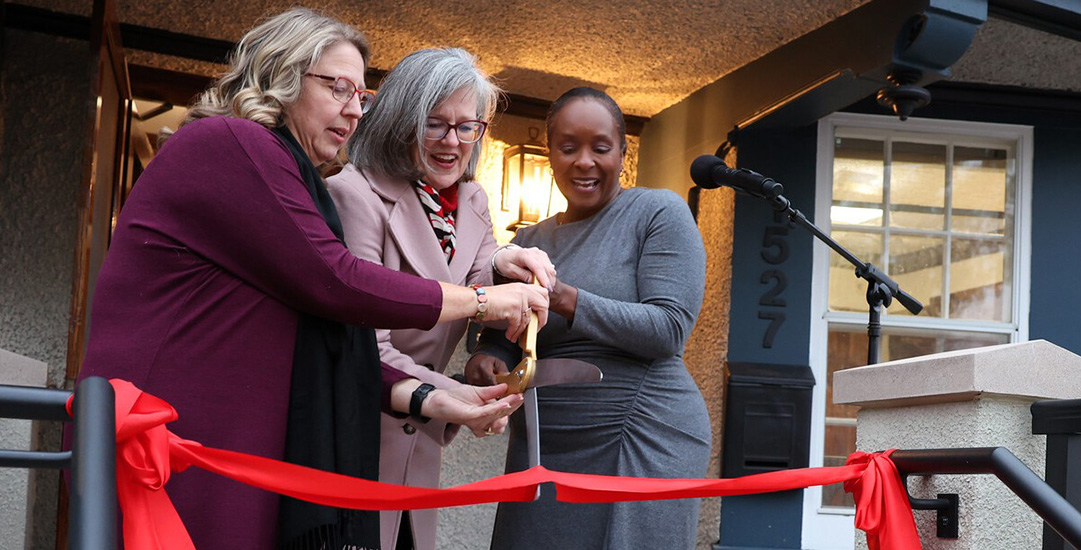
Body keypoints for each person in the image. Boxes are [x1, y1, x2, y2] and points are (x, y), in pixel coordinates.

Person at [75, 9, 549, 550]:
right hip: (173, 442)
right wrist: (483, 301)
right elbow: (339, 283)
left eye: (360, 96)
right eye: (338, 88)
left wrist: (440, 399)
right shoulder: (232, 143)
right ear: (280, 74)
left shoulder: (290, 170)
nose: (354, 111)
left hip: (223, 441)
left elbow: (328, 338)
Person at [326, 47, 554, 550]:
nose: (453, 143)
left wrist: (508, 263)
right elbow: (367, 342)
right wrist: (451, 400)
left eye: (467, 126)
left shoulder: (470, 198)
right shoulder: (354, 193)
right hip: (359, 435)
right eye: (435, 124)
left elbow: (476, 268)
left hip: (419, 442)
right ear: (400, 122)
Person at [465, 87, 711, 549]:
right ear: (551, 153)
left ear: (622, 151)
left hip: (639, 431)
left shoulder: (657, 212)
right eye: (568, 147)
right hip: (544, 436)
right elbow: (501, 331)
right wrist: (488, 354)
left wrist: (565, 298)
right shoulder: (530, 238)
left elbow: (668, 329)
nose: (584, 161)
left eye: (600, 147)